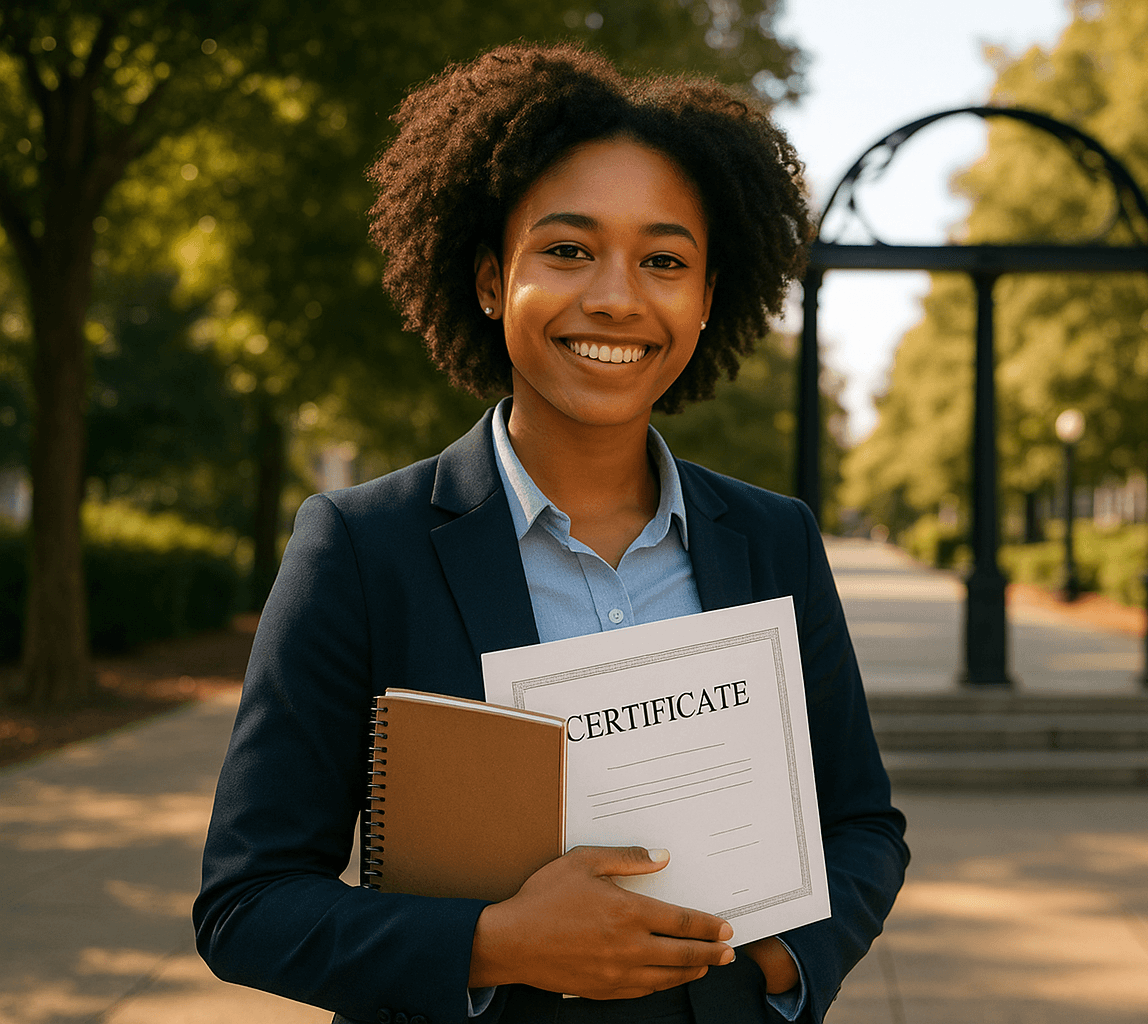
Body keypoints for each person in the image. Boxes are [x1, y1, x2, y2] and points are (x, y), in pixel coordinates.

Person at [193, 43, 907, 1024]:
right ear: (492, 280)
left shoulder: (775, 538)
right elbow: (248, 903)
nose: (617, 295)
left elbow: (864, 825)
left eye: (664, 260)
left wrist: (782, 959)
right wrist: (496, 942)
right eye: (569, 249)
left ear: (704, 303)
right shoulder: (360, 547)